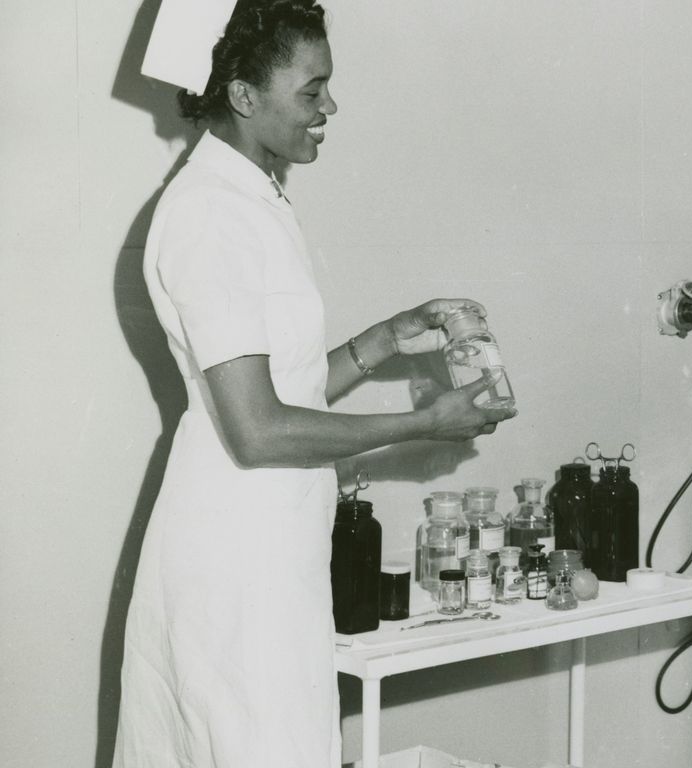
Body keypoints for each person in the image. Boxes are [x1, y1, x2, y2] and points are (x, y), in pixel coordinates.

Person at [114, 1, 515, 765]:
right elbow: (259, 429)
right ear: (241, 95)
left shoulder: (252, 198)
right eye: (312, 89)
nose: (330, 106)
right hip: (235, 561)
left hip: (270, 546)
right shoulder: (208, 216)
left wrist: (383, 339)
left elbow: (287, 386)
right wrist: (423, 422)